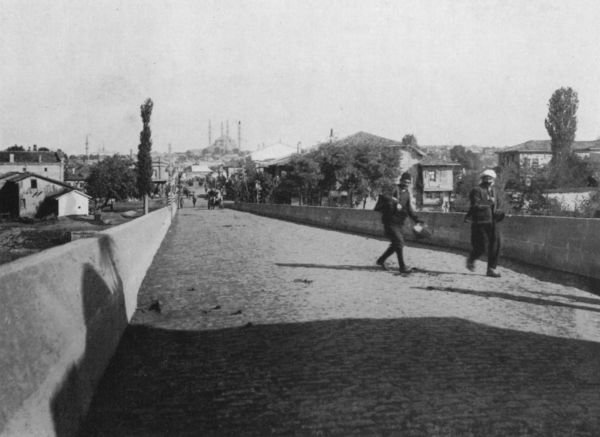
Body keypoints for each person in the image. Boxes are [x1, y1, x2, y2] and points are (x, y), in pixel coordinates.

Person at [375, 172, 422, 274]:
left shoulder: (407, 193)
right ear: (401, 181)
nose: (406, 184)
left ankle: (381, 260)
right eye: (405, 181)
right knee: (399, 243)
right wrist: (395, 201)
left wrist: (417, 219)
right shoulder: (394, 188)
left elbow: (409, 209)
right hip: (389, 221)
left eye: (408, 182)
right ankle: (402, 267)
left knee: (396, 244)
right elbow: (384, 196)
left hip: (399, 222)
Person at [466, 169, 505, 278]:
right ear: (482, 179)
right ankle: (471, 259)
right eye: (486, 178)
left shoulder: (495, 191)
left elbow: (500, 205)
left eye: (491, 179)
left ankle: (491, 269)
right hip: (480, 222)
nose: (489, 181)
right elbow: (475, 205)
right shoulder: (476, 190)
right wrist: (488, 203)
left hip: (493, 222)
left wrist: (500, 212)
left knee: (496, 245)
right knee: (481, 246)